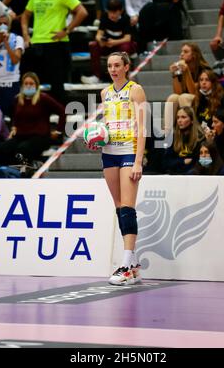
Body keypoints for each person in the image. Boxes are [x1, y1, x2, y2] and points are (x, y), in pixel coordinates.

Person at [88, 51, 146, 285]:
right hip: (109, 154)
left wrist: (139, 160)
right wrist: (96, 139)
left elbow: (142, 128)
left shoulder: (136, 90)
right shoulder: (105, 93)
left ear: (126, 66)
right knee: (119, 206)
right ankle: (132, 267)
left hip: (129, 152)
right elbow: (107, 126)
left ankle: (125, 263)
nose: (113, 69)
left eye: (117, 65)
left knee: (128, 208)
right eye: (110, 65)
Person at [21, 0, 88, 103]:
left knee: (57, 85)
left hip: (55, 44)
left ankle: (60, 119)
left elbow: (82, 12)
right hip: (36, 44)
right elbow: (25, 16)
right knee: (33, 84)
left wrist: (67, 30)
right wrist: (26, 36)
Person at [0, 71, 66, 165]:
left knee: (22, 149)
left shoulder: (43, 98)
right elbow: (15, 116)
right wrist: (14, 126)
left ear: (36, 85)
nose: (28, 86)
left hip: (40, 137)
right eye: (26, 83)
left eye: (31, 83)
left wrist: (58, 131)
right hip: (20, 136)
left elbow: (62, 111)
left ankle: (23, 171)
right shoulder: (17, 99)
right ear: (22, 86)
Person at [82, 0, 137, 84]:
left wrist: (113, 42)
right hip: (107, 45)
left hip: (120, 45)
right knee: (93, 45)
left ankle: (124, 77)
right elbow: (98, 35)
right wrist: (101, 41)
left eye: (114, 12)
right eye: (110, 12)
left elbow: (127, 38)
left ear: (120, 11)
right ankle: (96, 76)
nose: (112, 15)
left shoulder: (125, 18)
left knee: (126, 46)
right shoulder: (104, 16)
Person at [164, 42, 210, 134]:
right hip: (186, 100)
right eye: (181, 52)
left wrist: (187, 72)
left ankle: (191, 130)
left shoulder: (204, 70)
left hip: (204, 100)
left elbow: (195, 92)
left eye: (185, 52)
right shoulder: (182, 68)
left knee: (184, 97)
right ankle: (167, 133)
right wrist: (175, 75)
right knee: (173, 97)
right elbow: (177, 92)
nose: (181, 54)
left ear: (194, 55)